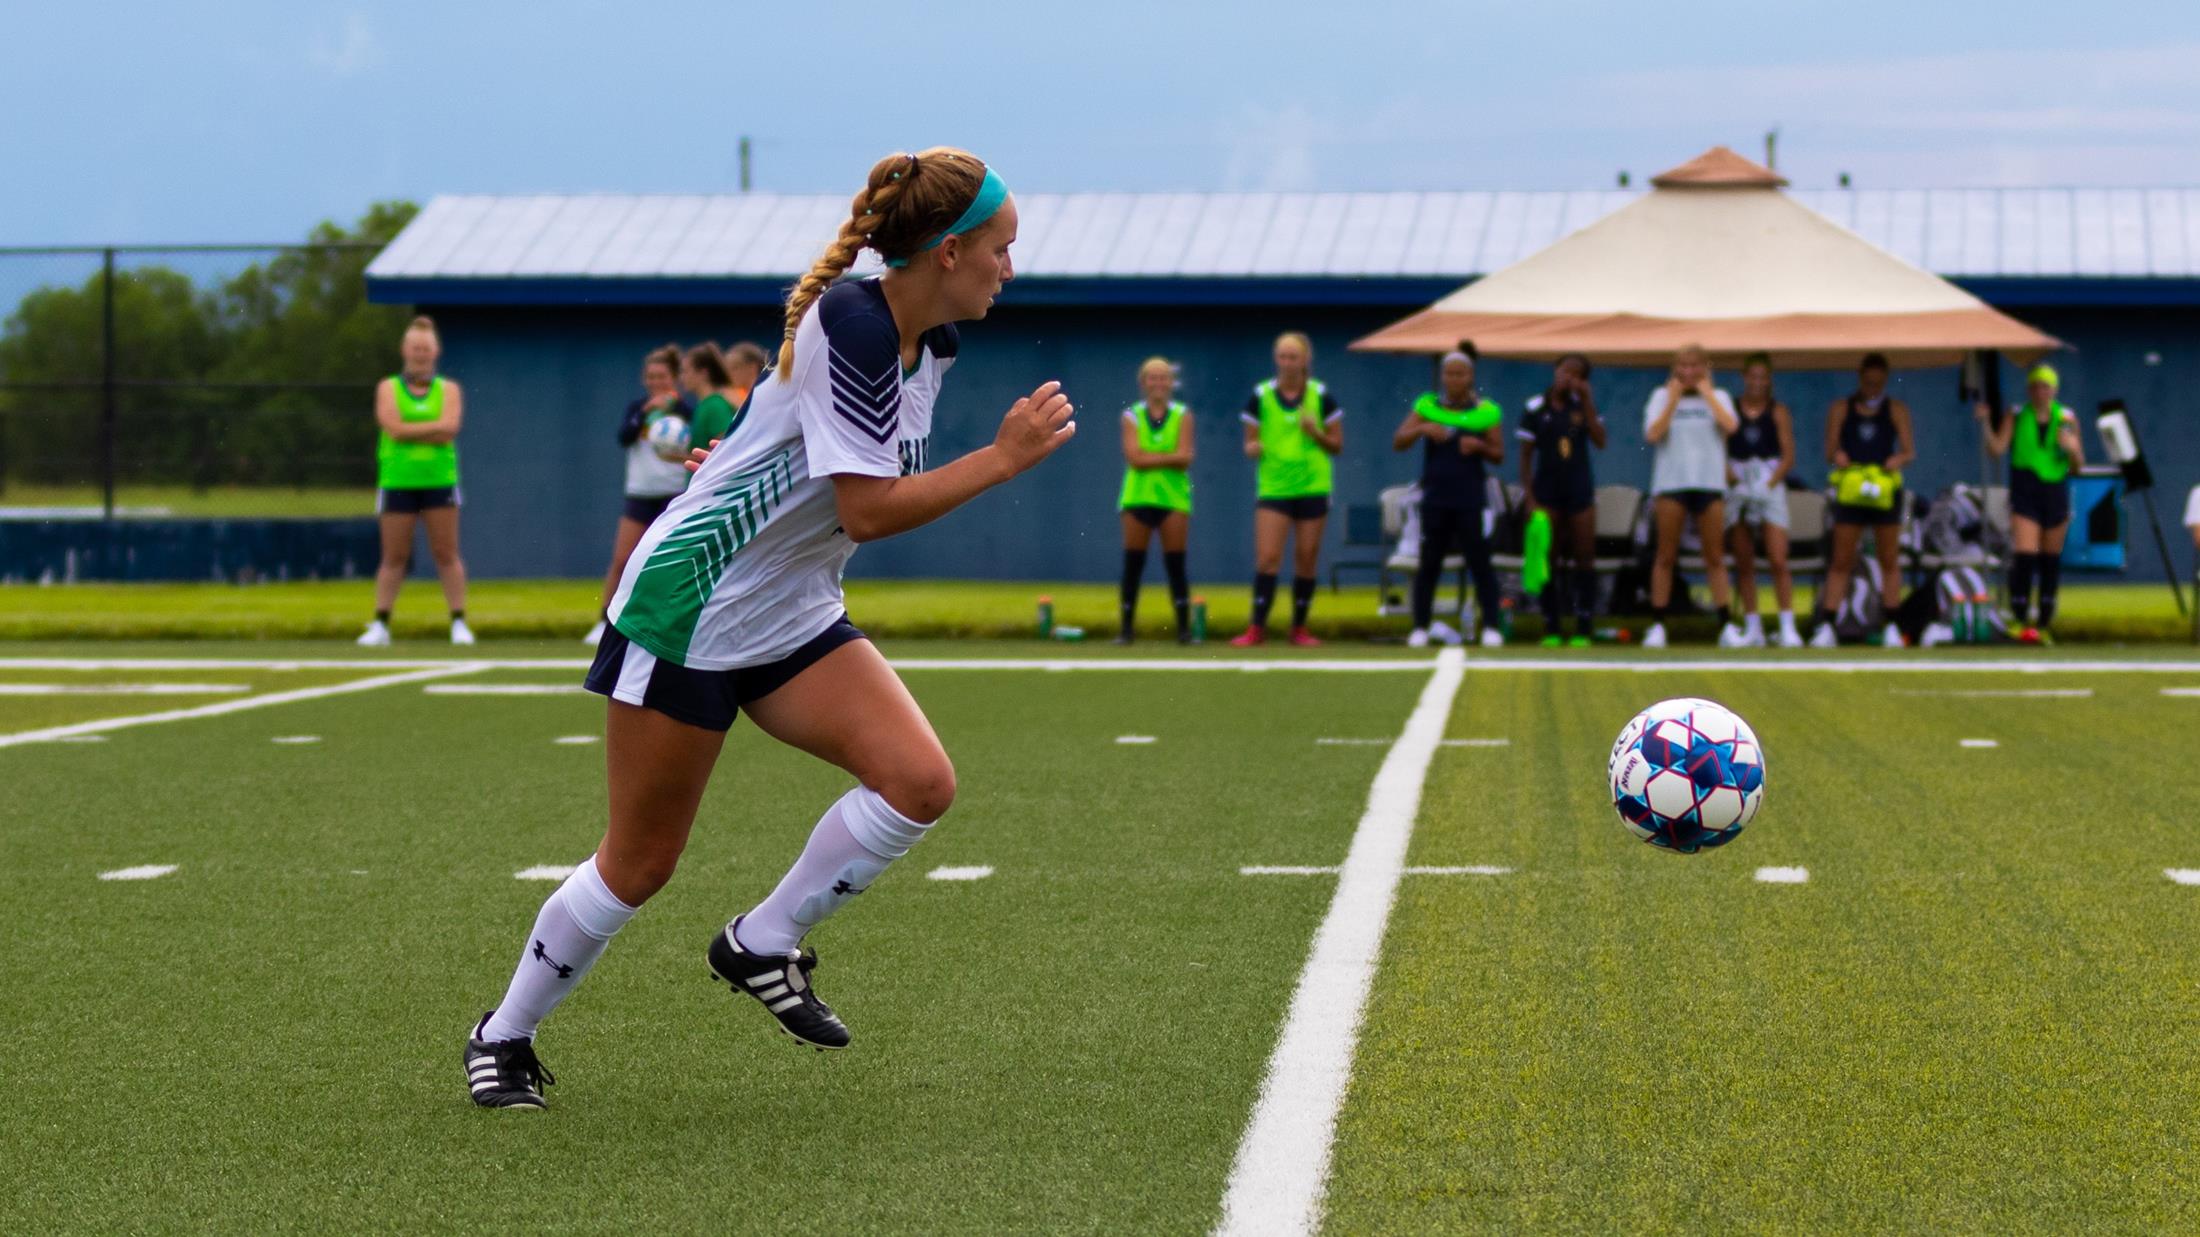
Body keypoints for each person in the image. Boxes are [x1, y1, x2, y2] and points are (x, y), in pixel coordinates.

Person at [462, 148, 1074, 1110]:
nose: (1011, 267)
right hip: (693, 606)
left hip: (790, 604)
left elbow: (790, 427)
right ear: (947, 252)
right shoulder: (856, 319)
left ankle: (760, 941)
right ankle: (502, 1034)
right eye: (1002, 249)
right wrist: (1001, 460)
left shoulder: (932, 345)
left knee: (920, 782)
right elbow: (868, 508)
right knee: (639, 864)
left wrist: (739, 453)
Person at [359, 316, 470, 647]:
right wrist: (430, 429)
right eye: (415, 347)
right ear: (404, 350)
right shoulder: (388, 387)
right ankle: (380, 623)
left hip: (439, 480)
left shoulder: (448, 389)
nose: (420, 353)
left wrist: (412, 429)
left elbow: (450, 427)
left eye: (426, 348)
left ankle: (458, 622)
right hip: (397, 480)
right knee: (394, 555)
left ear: (436, 351)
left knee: (445, 552)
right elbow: (392, 427)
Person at [1230, 331, 1344, 647]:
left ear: (1305, 360)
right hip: (1274, 487)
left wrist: (1316, 432)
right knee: (1268, 558)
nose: (1287, 362)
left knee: (1306, 558)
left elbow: (1337, 445)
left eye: (1293, 356)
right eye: (1282, 356)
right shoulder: (1261, 395)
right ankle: (1257, 629)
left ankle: (1299, 628)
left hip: (1313, 486)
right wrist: (1252, 448)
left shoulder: (1321, 396)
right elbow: (1250, 442)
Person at [1392, 349, 1504, 647]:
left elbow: (1498, 453)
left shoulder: (1484, 411)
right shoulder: (1428, 408)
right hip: (1436, 498)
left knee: (1480, 563)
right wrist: (1422, 428)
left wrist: (1478, 446)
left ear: (1470, 376)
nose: (1454, 379)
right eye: (1449, 373)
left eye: (1460, 373)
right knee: (1429, 564)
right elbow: (1399, 441)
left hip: (1470, 498)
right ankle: (1420, 626)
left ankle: (1491, 626)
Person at [584, 345, 692, 647]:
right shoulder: (637, 409)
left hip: (674, 494)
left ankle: (667, 624)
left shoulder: (686, 411)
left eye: (662, 376)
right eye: (650, 377)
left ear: (675, 378)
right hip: (640, 493)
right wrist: (646, 412)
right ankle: (604, 621)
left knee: (670, 563)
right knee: (622, 559)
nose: (656, 382)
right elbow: (624, 437)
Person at [1641, 344, 1743, 649]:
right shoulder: (1660, 397)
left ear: (1705, 367)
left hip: (1709, 484)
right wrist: (1673, 400)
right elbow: (1653, 435)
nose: (1687, 372)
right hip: (1672, 484)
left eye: (1694, 366)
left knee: (1714, 556)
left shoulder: (1720, 396)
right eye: (1682, 366)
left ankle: (1725, 624)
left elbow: (1730, 426)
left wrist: (1707, 393)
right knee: (1666, 555)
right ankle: (1658, 624)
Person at [1814, 352, 1915, 648]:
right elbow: (1830, 450)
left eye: (1878, 382)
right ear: (1860, 378)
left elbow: (1909, 451)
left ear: (1884, 380)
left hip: (1883, 491)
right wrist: (1839, 457)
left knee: (1889, 560)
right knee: (1841, 560)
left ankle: (1892, 625)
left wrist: (1896, 460)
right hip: (1852, 490)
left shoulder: (1895, 409)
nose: (1872, 387)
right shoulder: (1841, 408)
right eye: (1868, 382)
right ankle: (1828, 626)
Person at [1977, 364, 2083, 643]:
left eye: (2046, 386)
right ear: (2028, 390)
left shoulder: (2067, 419)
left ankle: (2045, 620)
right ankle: (2020, 615)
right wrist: (1986, 423)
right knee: (2025, 554)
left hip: (2054, 491)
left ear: (2054, 390)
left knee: (2050, 559)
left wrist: (2072, 450)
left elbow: (2076, 467)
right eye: (2035, 386)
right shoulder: (2016, 415)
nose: (2040, 392)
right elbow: (1996, 449)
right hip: (2026, 488)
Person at [1518, 353, 1605, 646]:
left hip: (1579, 490)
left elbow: (1600, 440)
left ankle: (1583, 626)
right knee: (1548, 559)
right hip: (1547, 492)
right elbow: (1526, 457)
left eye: (1577, 374)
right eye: (1565, 370)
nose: (1569, 377)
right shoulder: (1535, 407)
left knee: (1585, 558)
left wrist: (1588, 400)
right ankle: (1551, 626)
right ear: (1555, 371)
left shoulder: (1584, 407)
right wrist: (1530, 498)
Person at [1116, 356, 1195, 643]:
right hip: (1138, 497)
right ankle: (1126, 629)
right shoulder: (1132, 416)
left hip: (1173, 498)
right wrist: (1169, 457)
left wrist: (1151, 456)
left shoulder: (1183, 414)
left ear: (1172, 383)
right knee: (1133, 563)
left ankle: (1184, 630)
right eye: (1153, 377)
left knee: (1176, 564)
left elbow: (1185, 457)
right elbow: (1134, 458)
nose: (1159, 383)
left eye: (1164, 377)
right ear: (1143, 382)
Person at [1725, 353, 1802, 647]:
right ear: (1745, 378)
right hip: (1740, 486)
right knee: (1744, 561)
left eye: (1763, 377)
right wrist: (1737, 481)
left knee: (1778, 558)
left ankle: (1787, 626)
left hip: (1769, 485)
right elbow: (1720, 451)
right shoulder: (1731, 410)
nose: (1757, 382)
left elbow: (1788, 455)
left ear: (1769, 380)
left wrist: (1767, 484)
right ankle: (1753, 626)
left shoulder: (1778, 411)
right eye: (1752, 376)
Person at [679, 342, 745, 450]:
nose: (682, 378)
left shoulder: (714, 406)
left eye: (685, 371)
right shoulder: (704, 404)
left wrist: (672, 457)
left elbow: (723, 451)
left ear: (703, 373)